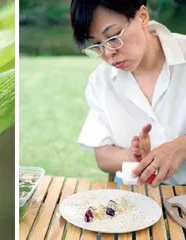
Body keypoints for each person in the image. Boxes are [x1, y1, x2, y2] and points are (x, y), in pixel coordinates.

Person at [71, 0, 186, 186]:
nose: (108, 53)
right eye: (97, 45)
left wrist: (180, 147)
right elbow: (103, 156)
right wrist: (133, 156)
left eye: (114, 37)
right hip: (135, 196)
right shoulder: (101, 80)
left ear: (142, 16)